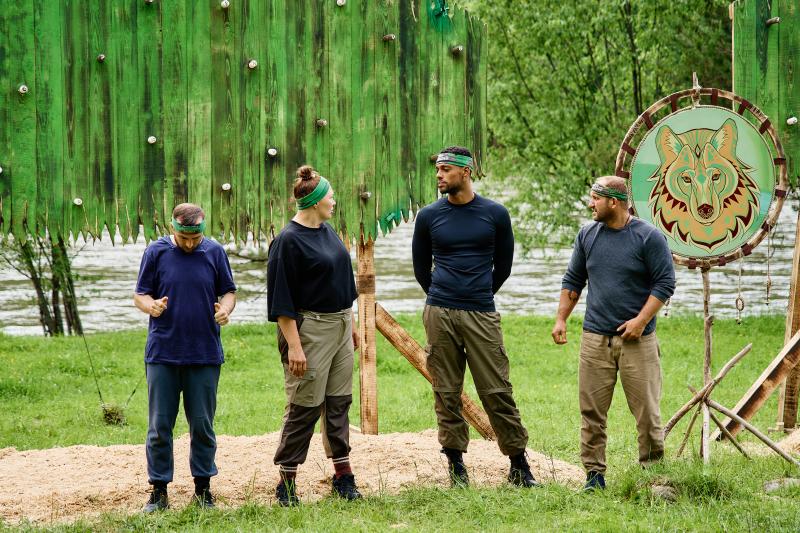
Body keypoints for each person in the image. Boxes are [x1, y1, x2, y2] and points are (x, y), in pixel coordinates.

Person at [411, 146, 539, 488]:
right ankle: (456, 467)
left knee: (496, 389)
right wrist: (442, 295)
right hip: (439, 311)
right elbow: (421, 269)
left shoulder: (495, 214)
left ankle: (519, 466)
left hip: (481, 311)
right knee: (446, 390)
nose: (438, 175)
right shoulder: (428, 216)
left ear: (465, 172)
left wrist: (479, 293)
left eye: (445, 169)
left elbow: (505, 266)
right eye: (437, 169)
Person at [552, 176, 676, 491]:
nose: (590, 204)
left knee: (647, 413)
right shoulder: (587, 235)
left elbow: (665, 283)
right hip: (595, 339)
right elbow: (573, 280)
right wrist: (561, 320)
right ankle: (594, 477)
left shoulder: (648, 238)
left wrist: (640, 320)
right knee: (591, 412)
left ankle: (652, 475)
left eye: (595, 199)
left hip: (639, 341)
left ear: (613, 202)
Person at [267, 165, 362, 506]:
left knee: (339, 402)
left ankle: (343, 476)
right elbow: (281, 300)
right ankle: (287, 483)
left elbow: (342, 281)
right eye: (330, 197)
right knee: (305, 405)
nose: (334, 201)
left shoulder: (328, 231)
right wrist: (294, 345)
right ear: (315, 201)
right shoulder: (287, 241)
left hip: (338, 326)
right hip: (310, 330)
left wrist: (349, 323)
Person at [134, 203, 237, 511]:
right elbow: (140, 293)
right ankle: (159, 490)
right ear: (173, 229)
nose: (190, 244)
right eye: (184, 238)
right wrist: (150, 306)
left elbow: (229, 291)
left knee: (203, 424)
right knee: (159, 426)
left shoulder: (215, 252)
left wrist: (225, 310)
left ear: (202, 231)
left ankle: (203, 489)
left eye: (195, 238)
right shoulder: (155, 253)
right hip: (163, 353)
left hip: (204, 353)